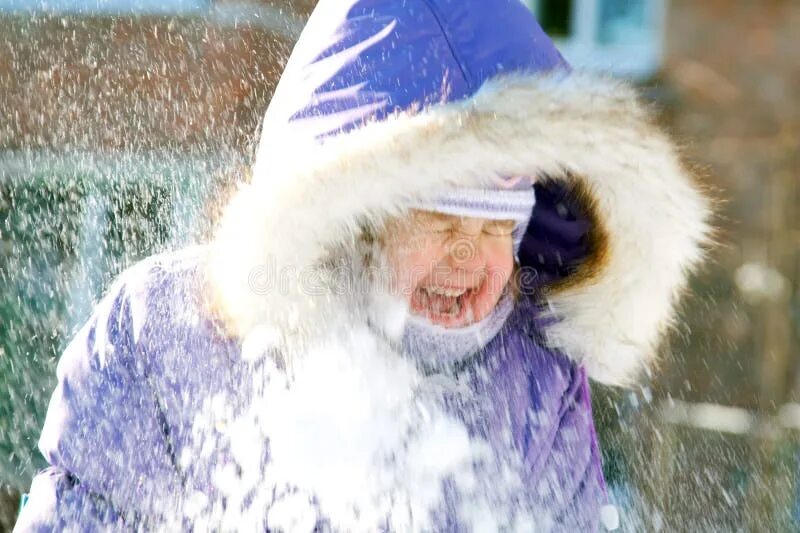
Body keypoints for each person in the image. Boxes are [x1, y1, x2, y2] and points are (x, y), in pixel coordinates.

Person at [14, 0, 712, 530]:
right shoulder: (165, 329)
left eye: (500, 228)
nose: (469, 254)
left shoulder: (533, 376)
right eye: (440, 223)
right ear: (358, 223)